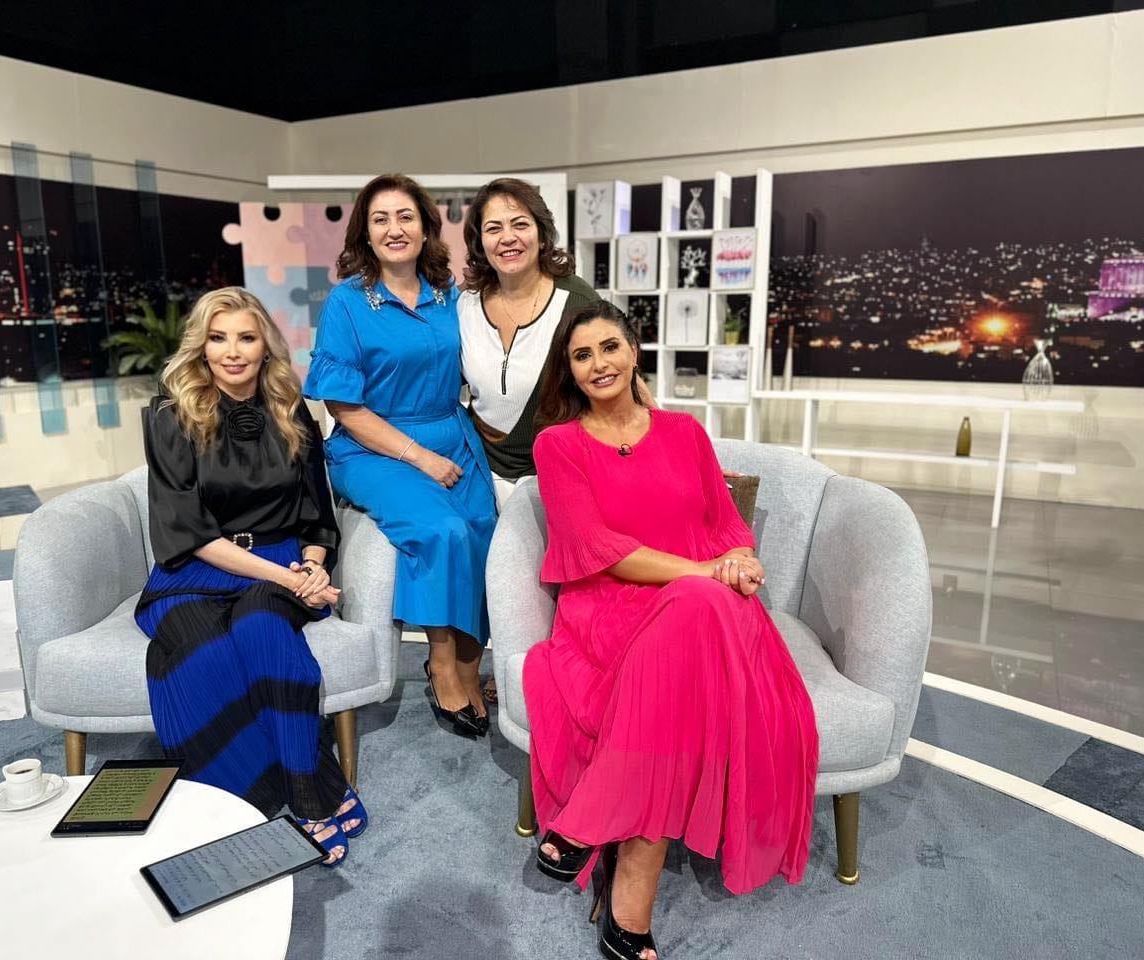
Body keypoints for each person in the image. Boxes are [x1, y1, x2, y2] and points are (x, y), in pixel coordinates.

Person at [524, 301, 819, 960]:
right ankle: (629, 892)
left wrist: (739, 561)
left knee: (694, 612)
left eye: (609, 347)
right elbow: (596, 549)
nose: (599, 364)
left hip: (704, 607)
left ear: (634, 353)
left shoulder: (684, 432)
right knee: (693, 610)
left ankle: (599, 829)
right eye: (582, 355)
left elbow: (727, 524)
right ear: (570, 372)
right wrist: (706, 572)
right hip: (611, 608)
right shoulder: (558, 445)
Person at [134, 286, 367, 867]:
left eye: (246, 337)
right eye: (218, 338)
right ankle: (250, 802)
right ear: (201, 346)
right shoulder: (169, 415)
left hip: (283, 560)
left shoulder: (292, 411)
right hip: (196, 568)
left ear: (266, 346)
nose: (232, 352)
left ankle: (308, 798)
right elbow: (189, 532)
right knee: (201, 652)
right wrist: (290, 581)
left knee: (262, 629)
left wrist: (310, 568)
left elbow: (318, 516)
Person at [304, 173, 498, 738]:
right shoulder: (347, 303)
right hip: (373, 446)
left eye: (406, 216)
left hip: (451, 433)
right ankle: (442, 663)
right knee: (441, 530)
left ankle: (471, 665)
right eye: (381, 219)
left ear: (426, 227)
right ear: (365, 233)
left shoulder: (450, 295)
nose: (395, 229)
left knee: (485, 528)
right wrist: (419, 457)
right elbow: (344, 408)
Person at [457, 177, 602, 507]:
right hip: (480, 474)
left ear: (542, 233)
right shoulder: (464, 305)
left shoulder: (577, 300)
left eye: (520, 224)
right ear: (480, 242)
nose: (508, 237)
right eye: (493, 228)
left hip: (558, 473)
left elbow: (623, 384)